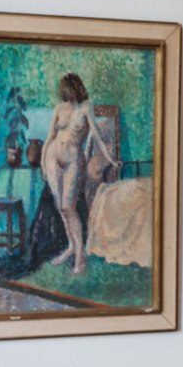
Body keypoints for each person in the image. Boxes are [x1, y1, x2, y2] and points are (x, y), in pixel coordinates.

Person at [40, 72, 119, 275]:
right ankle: (71, 246)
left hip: (74, 159)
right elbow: (50, 136)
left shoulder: (86, 106)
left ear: (77, 88)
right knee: (61, 207)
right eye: (64, 90)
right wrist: (42, 161)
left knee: (69, 206)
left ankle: (80, 257)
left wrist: (110, 159)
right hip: (52, 157)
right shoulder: (59, 108)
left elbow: (98, 136)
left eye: (70, 89)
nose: (68, 93)